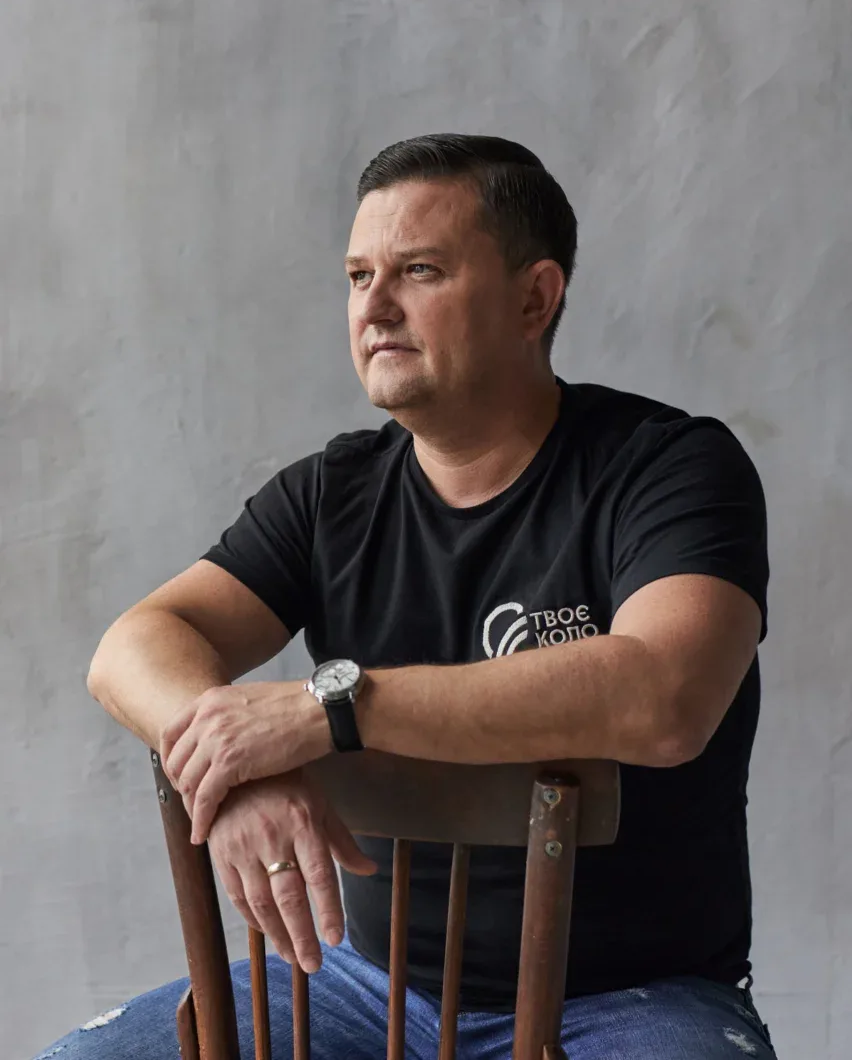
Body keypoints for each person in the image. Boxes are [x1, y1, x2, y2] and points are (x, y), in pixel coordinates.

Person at [35, 134, 777, 1060]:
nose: (374, 307)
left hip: (632, 999)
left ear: (535, 298)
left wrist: (329, 708)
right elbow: (133, 647)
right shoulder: (330, 494)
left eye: (418, 270)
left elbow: (665, 698)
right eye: (358, 277)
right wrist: (235, 770)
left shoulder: (669, 468)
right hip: (364, 980)